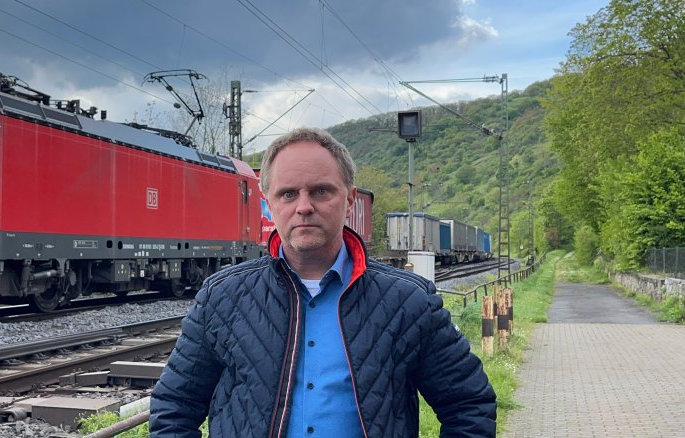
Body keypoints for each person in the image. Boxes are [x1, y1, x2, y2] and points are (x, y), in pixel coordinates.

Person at [150, 128, 496, 437]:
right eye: (288, 194)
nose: (304, 207)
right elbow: (174, 410)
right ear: (267, 202)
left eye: (320, 191)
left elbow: (468, 406)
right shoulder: (221, 297)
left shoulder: (408, 300)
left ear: (348, 200)